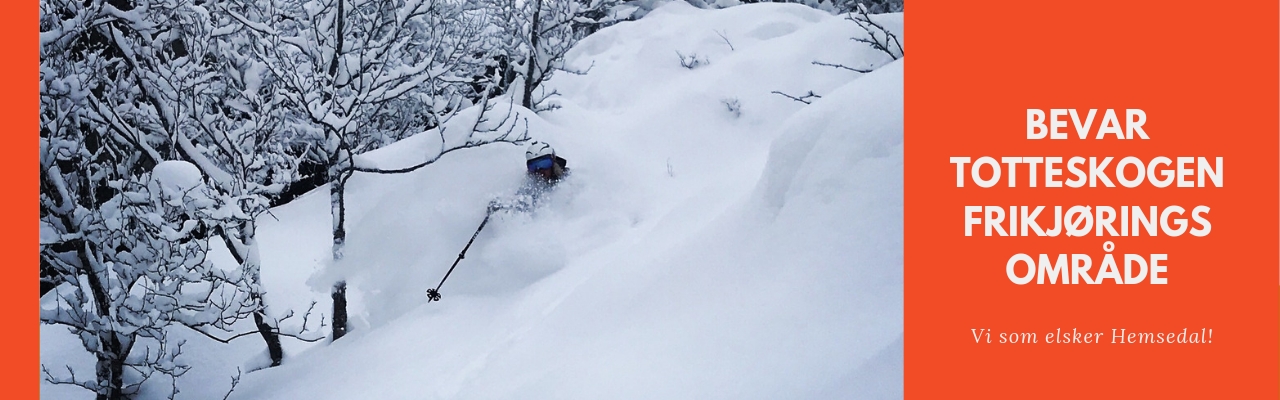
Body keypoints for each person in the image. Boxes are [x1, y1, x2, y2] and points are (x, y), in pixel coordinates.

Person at [488, 141, 569, 214]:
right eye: (533, 166)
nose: (540, 171)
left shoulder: (568, 180)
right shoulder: (531, 186)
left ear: (553, 161)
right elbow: (521, 202)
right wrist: (502, 207)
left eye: (544, 164)